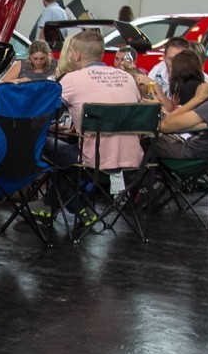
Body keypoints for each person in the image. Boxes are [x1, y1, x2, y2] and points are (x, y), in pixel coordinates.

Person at [37, 30, 143, 226]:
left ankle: (79, 206)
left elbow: (45, 113)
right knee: (66, 159)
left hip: (94, 163)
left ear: (77, 54)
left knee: (43, 144)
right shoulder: (127, 78)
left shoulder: (72, 79)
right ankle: (49, 204)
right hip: (133, 163)